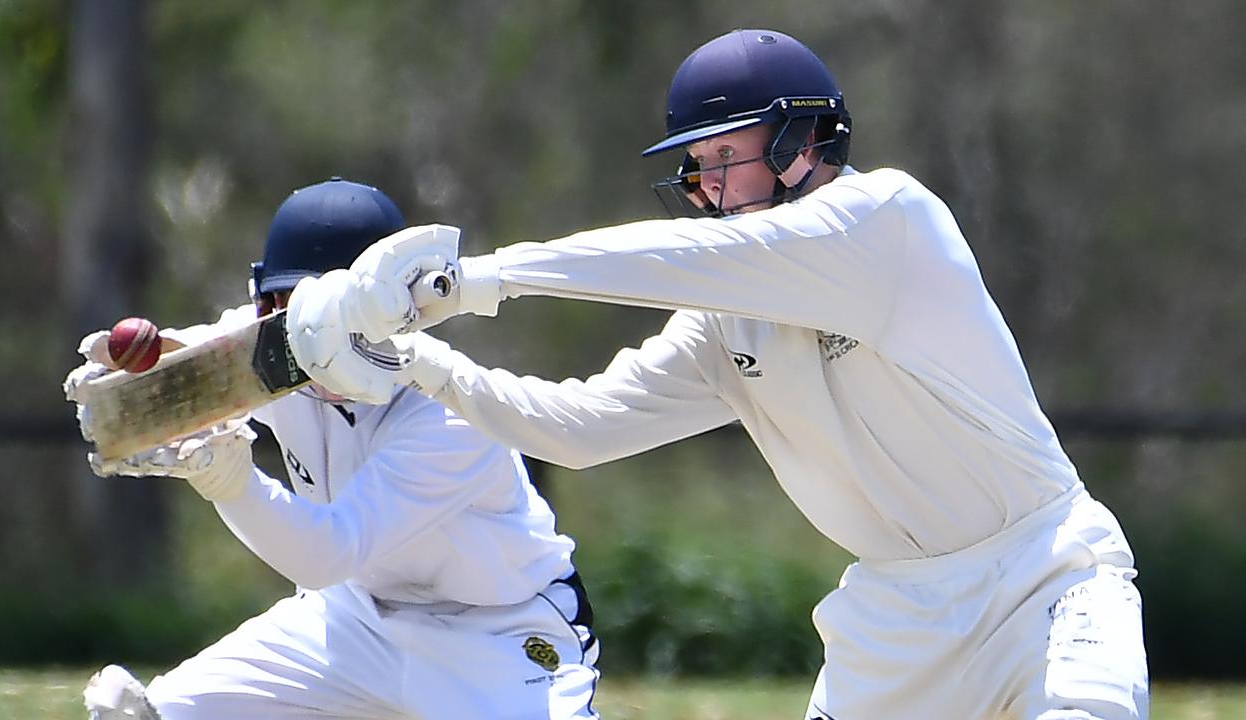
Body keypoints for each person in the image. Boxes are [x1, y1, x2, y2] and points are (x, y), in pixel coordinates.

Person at [283, 29, 1151, 720]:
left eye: (721, 157)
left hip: (1046, 568)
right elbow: (576, 431)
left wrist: (473, 280)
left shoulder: (886, 221)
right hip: (898, 614)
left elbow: (683, 257)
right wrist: (418, 359)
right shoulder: (724, 323)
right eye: (692, 168)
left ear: (801, 138)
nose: (702, 187)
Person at [64, 178, 600, 720]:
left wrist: (230, 483)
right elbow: (190, 356)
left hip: (498, 633)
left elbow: (329, 552)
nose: (316, 335)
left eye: (340, 311)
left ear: (398, 309)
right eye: (292, 308)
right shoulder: (269, 346)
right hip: (352, 620)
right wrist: (138, 378)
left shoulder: (448, 410)